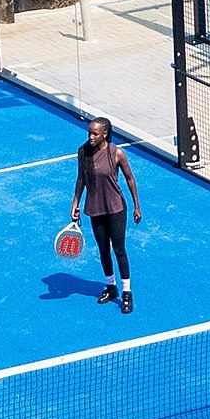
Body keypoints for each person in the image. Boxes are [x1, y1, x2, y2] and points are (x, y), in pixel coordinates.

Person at [69, 114, 144, 312]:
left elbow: (130, 179)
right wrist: (75, 203)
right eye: (89, 133)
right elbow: (81, 179)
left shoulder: (117, 153)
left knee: (119, 249)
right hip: (95, 208)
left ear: (105, 134)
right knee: (103, 249)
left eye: (95, 133)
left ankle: (127, 292)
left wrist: (136, 206)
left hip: (116, 208)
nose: (91, 137)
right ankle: (111, 287)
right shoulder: (83, 152)